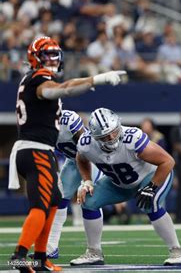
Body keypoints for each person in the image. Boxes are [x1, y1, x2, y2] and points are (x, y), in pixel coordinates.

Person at [8, 36, 126, 271]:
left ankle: (41, 259)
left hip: (43, 151)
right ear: (35, 58)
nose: (52, 59)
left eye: (55, 54)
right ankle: (19, 256)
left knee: (53, 203)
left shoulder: (33, 79)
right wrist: (97, 79)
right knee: (40, 206)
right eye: (46, 55)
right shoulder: (39, 78)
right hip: (35, 150)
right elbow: (59, 90)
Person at [72, 108, 181, 266]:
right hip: (118, 182)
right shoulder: (86, 144)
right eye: (105, 135)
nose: (112, 137)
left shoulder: (132, 138)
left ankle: (177, 251)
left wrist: (152, 186)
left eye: (114, 131)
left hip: (151, 175)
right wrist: (87, 181)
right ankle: (94, 252)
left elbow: (167, 161)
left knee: (151, 204)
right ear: (94, 136)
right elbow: (81, 159)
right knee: (88, 201)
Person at [42, 110, 103, 259]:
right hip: (72, 161)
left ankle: (95, 250)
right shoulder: (41, 124)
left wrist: (86, 179)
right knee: (58, 198)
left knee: (90, 199)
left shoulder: (68, 119)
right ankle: (51, 247)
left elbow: (85, 144)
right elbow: (49, 154)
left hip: (93, 158)